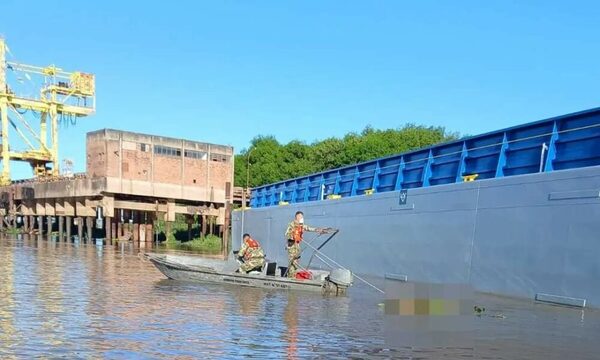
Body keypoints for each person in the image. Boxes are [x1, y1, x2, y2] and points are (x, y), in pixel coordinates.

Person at [284, 211, 325, 278]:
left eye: (302, 217)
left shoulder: (301, 225)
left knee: (296, 262)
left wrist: (318, 230)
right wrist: (293, 236)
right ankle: (290, 277)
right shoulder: (291, 224)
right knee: (292, 263)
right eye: (300, 217)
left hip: (297, 246)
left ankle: (293, 276)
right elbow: (287, 234)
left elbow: (308, 228)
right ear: (296, 217)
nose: (301, 218)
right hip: (291, 246)